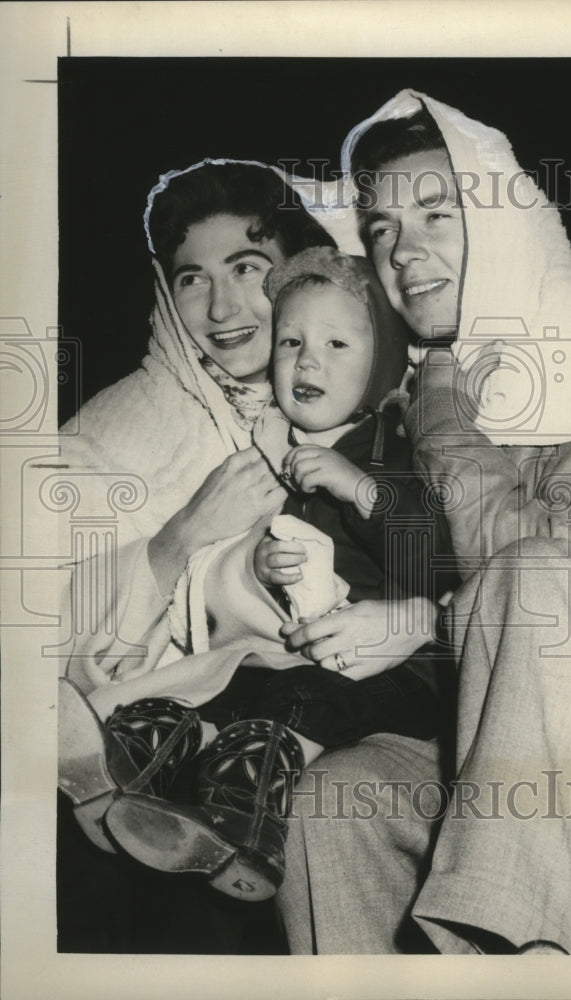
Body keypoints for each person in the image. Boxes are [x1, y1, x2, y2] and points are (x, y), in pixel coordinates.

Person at [264, 93, 571, 956]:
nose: (402, 251)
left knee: (542, 580)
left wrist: (444, 409)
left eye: (437, 215)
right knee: (343, 795)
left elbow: (552, 579)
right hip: (513, 779)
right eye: (378, 229)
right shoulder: (427, 387)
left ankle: (502, 967)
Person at [60, 247, 457, 903]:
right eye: (292, 341)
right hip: (291, 654)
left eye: (336, 343)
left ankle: (244, 827)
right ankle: (140, 762)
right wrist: (263, 564)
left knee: (293, 704)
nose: (308, 360)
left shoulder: (392, 449)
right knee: (225, 692)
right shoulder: (279, 448)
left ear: (382, 361)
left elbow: (434, 554)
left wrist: (363, 492)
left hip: (392, 673)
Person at [56, 159, 338, 951]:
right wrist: (184, 530)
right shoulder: (111, 432)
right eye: (191, 279)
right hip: (143, 751)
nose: (222, 308)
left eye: (247, 269)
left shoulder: (345, 386)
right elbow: (57, 642)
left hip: (306, 737)